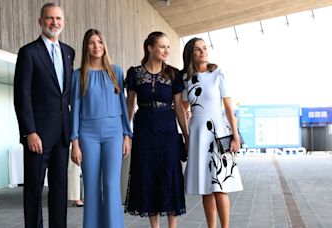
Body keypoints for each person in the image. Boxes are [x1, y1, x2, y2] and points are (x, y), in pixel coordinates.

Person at [13, 3, 75, 228]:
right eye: (49, 18)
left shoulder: (69, 52)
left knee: (60, 190)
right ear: (40, 21)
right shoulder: (28, 52)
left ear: (64, 22)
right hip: (37, 135)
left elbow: (64, 95)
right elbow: (22, 96)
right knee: (33, 190)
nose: (54, 22)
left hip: (61, 134)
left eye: (58, 18)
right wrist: (29, 131)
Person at [124, 31, 189, 228]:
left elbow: (178, 107)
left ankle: (172, 226)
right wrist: (126, 134)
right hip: (144, 131)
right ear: (150, 48)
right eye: (162, 46)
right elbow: (129, 106)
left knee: (170, 175)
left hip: (168, 131)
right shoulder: (134, 73)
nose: (166, 50)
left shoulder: (174, 74)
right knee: (148, 175)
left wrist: (186, 135)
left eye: (168, 47)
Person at [70, 29, 132, 228]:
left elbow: (123, 106)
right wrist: (75, 142)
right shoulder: (78, 75)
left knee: (111, 185)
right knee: (91, 186)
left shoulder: (116, 71)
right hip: (87, 135)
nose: (97, 46)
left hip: (114, 134)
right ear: (86, 47)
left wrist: (126, 135)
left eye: (100, 42)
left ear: (104, 46)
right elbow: (75, 110)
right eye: (92, 42)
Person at [181, 37, 243, 228]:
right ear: (191, 53)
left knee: (220, 186)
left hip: (218, 133)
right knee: (206, 188)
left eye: (205, 48)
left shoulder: (218, 73)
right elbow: (182, 107)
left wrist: (235, 135)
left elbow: (228, 107)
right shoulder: (185, 79)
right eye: (198, 49)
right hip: (198, 134)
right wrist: (186, 134)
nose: (203, 52)